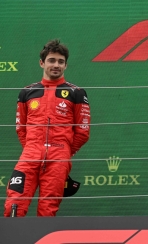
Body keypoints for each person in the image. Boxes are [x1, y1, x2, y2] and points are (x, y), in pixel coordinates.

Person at [4, 40, 90, 217]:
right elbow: (21, 129)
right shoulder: (26, 92)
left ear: (66, 65)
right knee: (14, 203)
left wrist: (63, 151)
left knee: (47, 209)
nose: (56, 65)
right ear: (42, 63)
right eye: (51, 60)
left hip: (59, 157)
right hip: (30, 154)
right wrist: (33, 148)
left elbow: (82, 132)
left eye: (60, 61)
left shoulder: (77, 93)